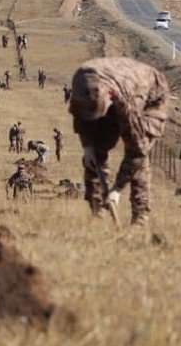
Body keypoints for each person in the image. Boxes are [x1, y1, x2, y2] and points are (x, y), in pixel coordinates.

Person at [69, 57, 169, 226]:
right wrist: (88, 147)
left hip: (150, 99)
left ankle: (140, 217)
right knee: (95, 153)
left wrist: (117, 189)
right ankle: (97, 213)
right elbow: (81, 118)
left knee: (139, 159)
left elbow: (136, 151)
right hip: (115, 95)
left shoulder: (130, 101)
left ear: (108, 98)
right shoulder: (81, 81)